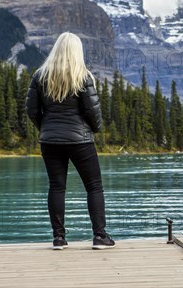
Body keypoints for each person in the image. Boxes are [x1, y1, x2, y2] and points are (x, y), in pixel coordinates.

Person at [25, 32, 115, 250]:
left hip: (50, 141)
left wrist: (45, 128)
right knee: (94, 187)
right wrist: (95, 130)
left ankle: (58, 238)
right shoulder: (82, 76)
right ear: (77, 51)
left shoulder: (40, 76)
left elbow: (32, 110)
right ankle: (100, 237)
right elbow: (93, 111)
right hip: (80, 140)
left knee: (57, 186)